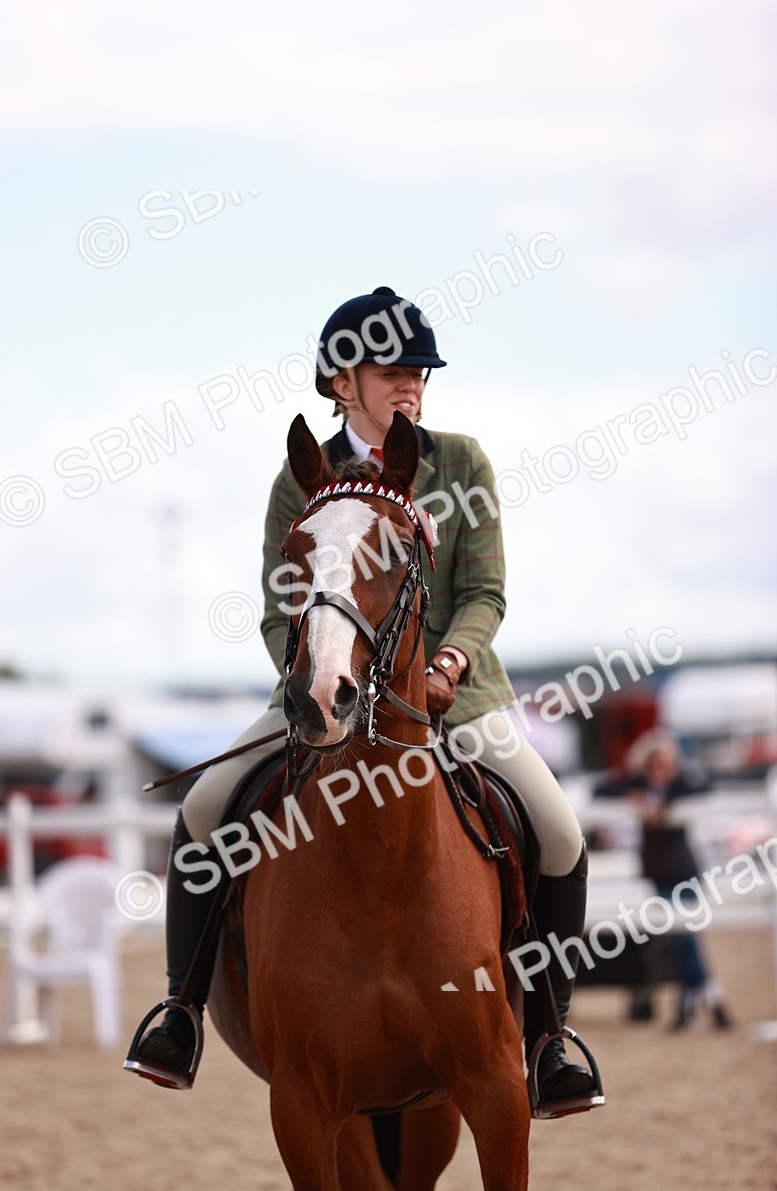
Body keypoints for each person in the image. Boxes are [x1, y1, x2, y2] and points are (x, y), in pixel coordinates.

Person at [127, 286, 602, 1115]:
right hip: (324, 688)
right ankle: (180, 1011)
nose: (411, 382)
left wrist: (449, 661)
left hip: (454, 695)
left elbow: (484, 589)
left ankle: (550, 1038)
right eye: (392, 369)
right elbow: (283, 605)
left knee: (558, 831)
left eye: (419, 369)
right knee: (204, 809)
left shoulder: (461, 462)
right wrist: (317, 680)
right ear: (342, 382)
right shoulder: (299, 475)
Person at [596, 729, 733, 1030]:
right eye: (658, 761)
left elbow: (704, 786)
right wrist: (634, 796)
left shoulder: (680, 785)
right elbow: (601, 789)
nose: (664, 767)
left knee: (684, 937)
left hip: (682, 872)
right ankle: (702, 1001)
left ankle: (703, 1002)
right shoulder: (639, 784)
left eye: (669, 761)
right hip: (659, 873)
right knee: (683, 938)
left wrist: (663, 801)